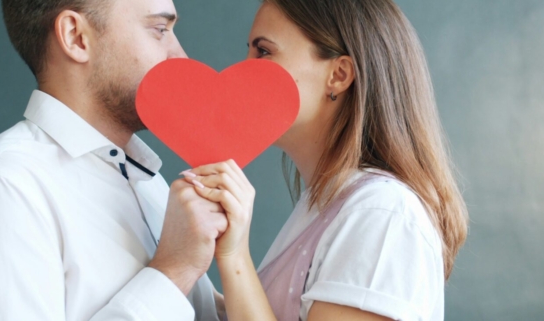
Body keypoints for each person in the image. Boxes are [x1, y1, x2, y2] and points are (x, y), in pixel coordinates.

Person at [0, 0, 227, 320]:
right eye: (159, 30)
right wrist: (175, 270)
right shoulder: (1, 187)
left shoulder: (148, 183)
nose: (181, 57)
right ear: (76, 37)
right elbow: (175, 277)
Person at [178, 0, 469, 320]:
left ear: (339, 75)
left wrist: (235, 258)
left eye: (264, 51)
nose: (240, 71)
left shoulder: (382, 214)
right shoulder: (329, 204)